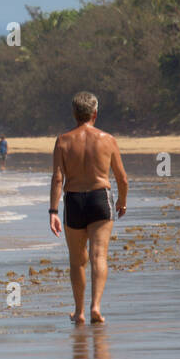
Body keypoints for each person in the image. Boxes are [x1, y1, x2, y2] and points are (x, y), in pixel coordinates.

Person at [49, 92, 128, 324]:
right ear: (95, 113)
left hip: (74, 199)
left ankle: (79, 311)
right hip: (100, 197)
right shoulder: (107, 139)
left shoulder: (63, 141)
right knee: (98, 255)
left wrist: (53, 211)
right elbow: (122, 178)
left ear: (74, 114)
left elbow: (57, 179)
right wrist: (122, 201)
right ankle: (96, 306)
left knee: (76, 259)